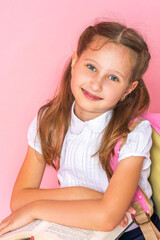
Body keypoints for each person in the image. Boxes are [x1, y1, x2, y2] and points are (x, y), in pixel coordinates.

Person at [0, 21, 160, 240]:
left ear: (128, 89)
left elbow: (107, 218)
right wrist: (84, 195)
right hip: (72, 227)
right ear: (75, 63)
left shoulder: (133, 133)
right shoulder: (48, 120)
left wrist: (33, 208)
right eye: (91, 67)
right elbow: (18, 199)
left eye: (113, 78)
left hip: (128, 233)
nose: (96, 84)